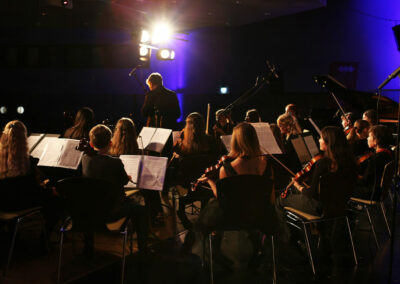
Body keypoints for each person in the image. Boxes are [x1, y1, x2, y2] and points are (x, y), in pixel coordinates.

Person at [275, 126, 356, 241]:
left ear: (329, 142)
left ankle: (286, 239)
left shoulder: (323, 163)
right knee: (289, 192)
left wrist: (298, 186)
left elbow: (312, 194)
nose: (319, 140)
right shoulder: (350, 162)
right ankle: (313, 231)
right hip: (341, 205)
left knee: (280, 199)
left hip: (320, 208)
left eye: (321, 138)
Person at [195, 122, 274, 232]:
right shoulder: (267, 164)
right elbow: (271, 198)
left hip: (235, 220)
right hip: (262, 217)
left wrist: (210, 181)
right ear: (255, 140)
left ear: (235, 141)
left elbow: (222, 200)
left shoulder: (227, 169)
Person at [81, 124, 148, 252]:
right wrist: (126, 177)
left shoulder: (85, 159)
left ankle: (88, 250)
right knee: (141, 210)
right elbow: (123, 181)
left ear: (91, 143)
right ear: (110, 143)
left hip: (90, 211)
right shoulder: (115, 162)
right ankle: (143, 250)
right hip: (111, 212)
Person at [0, 120, 62, 234]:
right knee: (56, 202)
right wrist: (50, 191)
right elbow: (33, 191)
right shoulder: (28, 162)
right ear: (24, 140)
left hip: (3, 205)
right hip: (20, 205)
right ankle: (44, 241)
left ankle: (11, 237)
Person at [353, 125, 393, 201]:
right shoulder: (389, 153)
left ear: (376, 141)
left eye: (369, 136)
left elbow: (365, 181)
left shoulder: (376, 159)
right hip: (381, 191)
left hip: (371, 193)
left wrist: (352, 177)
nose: (367, 138)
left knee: (341, 188)